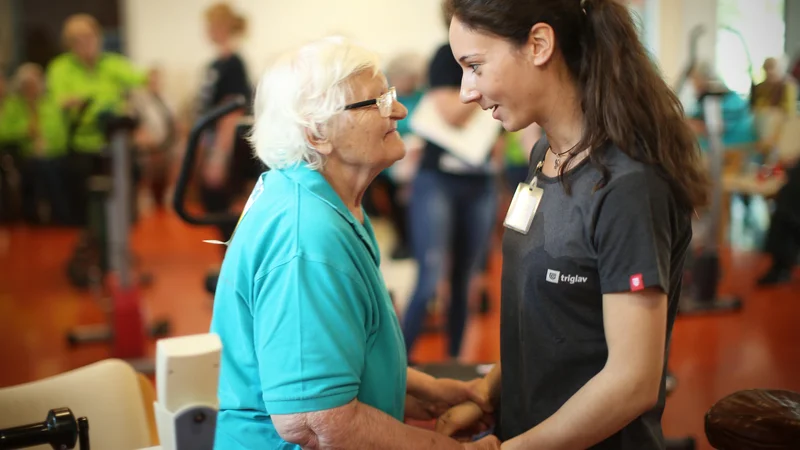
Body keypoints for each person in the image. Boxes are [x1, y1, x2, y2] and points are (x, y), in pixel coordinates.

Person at [436, 0, 709, 449]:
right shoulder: (544, 156)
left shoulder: (627, 187)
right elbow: (548, 317)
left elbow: (633, 381)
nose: (467, 91)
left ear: (539, 45)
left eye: (475, 66)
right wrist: (489, 395)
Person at [208, 36, 500, 450]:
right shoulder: (305, 237)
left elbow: (337, 355)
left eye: (392, 96)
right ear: (317, 133)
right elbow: (315, 422)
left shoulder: (324, 202)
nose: (399, 110)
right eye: (377, 102)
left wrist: (427, 391)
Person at [402, 14, 502, 362]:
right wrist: (494, 90)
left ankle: (456, 365)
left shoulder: (500, 50)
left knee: (466, 281)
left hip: (481, 179)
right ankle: (397, 365)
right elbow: (451, 113)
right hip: (438, 180)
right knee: (429, 277)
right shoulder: (445, 55)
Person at [45, 13, 148, 224]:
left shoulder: (112, 64)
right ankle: (92, 237)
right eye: (78, 40)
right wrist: (85, 102)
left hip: (115, 143)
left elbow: (141, 80)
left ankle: (118, 233)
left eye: (90, 37)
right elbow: (61, 101)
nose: (86, 44)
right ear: (70, 44)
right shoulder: (60, 68)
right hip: (79, 145)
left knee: (129, 179)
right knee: (84, 201)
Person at [196, 2, 256, 244]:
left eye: (210, 25)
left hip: (228, 149)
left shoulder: (233, 63)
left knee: (227, 209)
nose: (207, 30)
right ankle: (227, 261)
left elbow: (232, 113)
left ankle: (234, 267)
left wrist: (219, 157)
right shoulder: (215, 64)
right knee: (212, 206)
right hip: (211, 142)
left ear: (221, 26)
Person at [0, 63, 71, 224]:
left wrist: (49, 147)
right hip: (25, 156)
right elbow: (3, 132)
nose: (31, 89)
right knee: (38, 168)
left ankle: (59, 217)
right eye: (26, 85)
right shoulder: (14, 106)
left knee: (54, 167)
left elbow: (59, 133)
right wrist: (25, 132)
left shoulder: (51, 104)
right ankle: (35, 217)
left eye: (34, 84)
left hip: (54, 154)